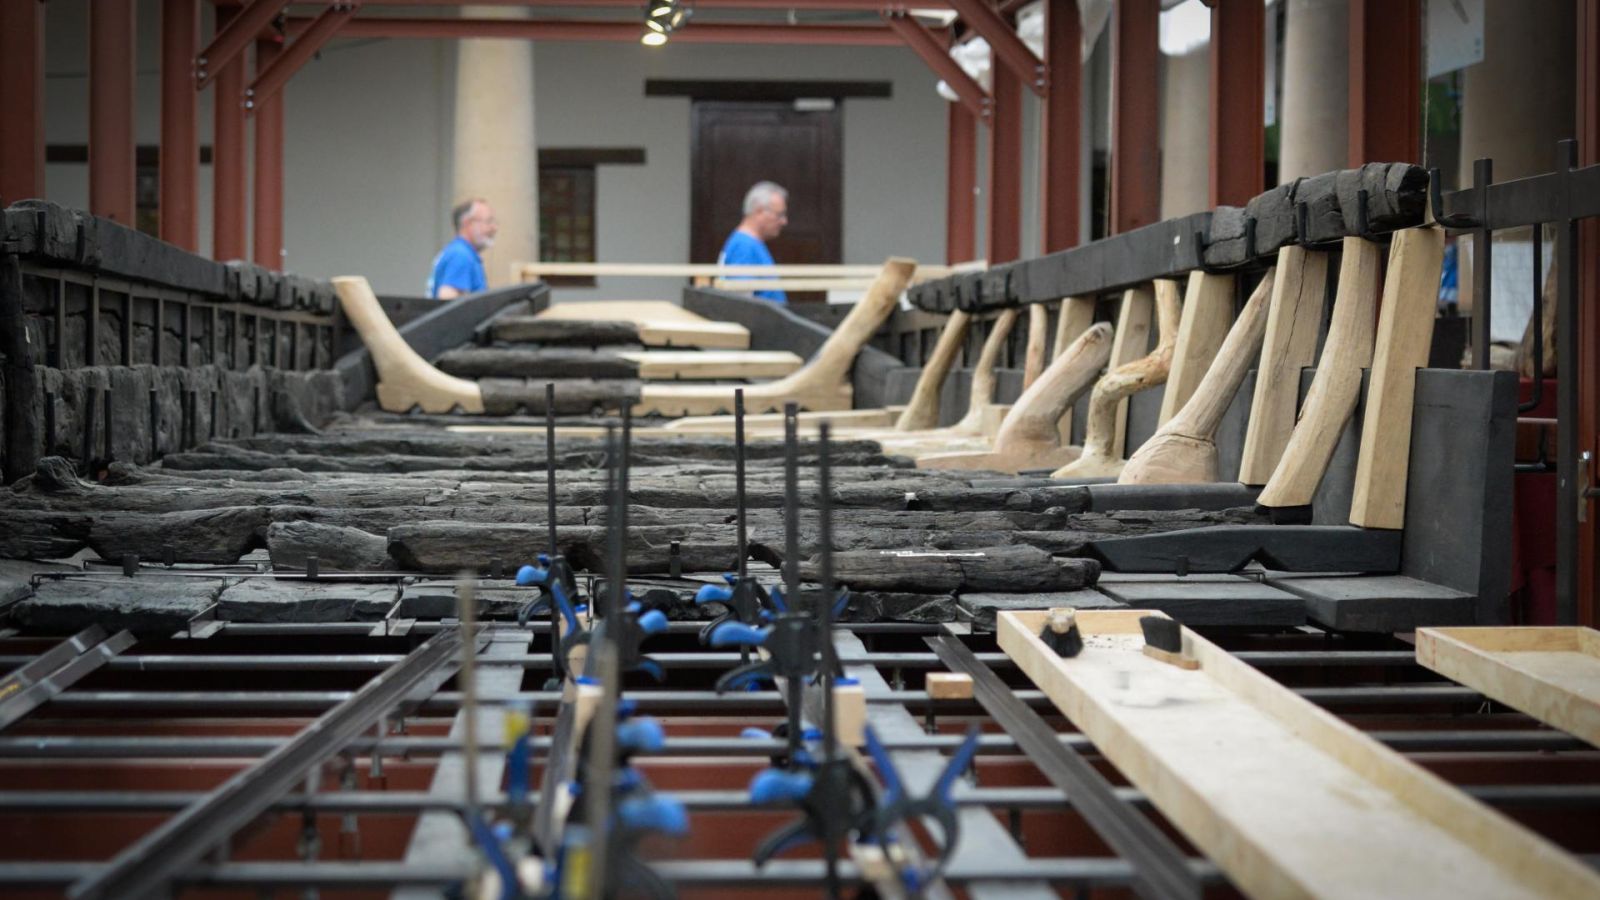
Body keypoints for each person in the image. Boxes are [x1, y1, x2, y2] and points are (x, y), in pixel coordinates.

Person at [717, 181, 788, 304]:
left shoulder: (749, 243)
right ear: (759, 211)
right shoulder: (744, 246)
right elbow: (742, 303)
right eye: (779, 215)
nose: (784, 221)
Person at [427, 198, 498, 299]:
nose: (494, 228)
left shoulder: (460, 252)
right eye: (488, 221)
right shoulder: (461, 256)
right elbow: (448, 300)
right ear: (467, 223)